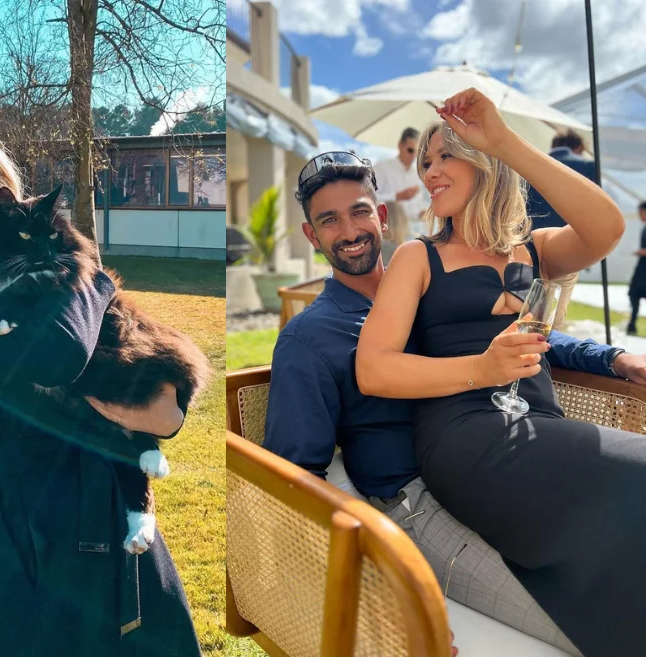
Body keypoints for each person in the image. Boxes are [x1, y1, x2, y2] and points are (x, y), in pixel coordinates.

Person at [264, 151, 646, 654]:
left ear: (380, 216)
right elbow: (295, 479)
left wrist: (615, 357)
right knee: (592, 621)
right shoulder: (309, 338)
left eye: (359, 211)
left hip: (500, 464)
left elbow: (511, 338)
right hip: (417, 506)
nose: (349, 230)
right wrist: (377, 583)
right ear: (313, 237)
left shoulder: (426, 280)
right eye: (328, 220)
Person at [0, 126, 202, 656]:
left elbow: (165, 410)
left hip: (103, 503)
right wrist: (95, 282)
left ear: (4, 194)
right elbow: (59, 357)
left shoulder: (31, 276)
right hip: (9, 535)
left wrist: (155, 411)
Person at [355, 88, 646, 657]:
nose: (431, 170)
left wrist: (506, 141)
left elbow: (607, 228)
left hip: (541, 424)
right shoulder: (420, 256)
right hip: (468, 436)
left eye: (446, 156)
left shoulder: (533, 250)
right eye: (426, 161)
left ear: (487, 164)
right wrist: (481, 367)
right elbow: (374, 368)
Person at [524, 129, 598, 331]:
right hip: (567, 247)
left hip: (527, 247)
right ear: (579, 147)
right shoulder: (588, 166)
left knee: (525, 314)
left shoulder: (528, 164)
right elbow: (597, 211)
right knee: (551, 323)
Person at [372, 127, 429, 265]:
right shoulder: (381, 168)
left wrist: (421, 213)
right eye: (410, 150)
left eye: (417, 153)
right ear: (400, 145)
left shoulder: (417, 176)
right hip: (385, 236)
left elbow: (413, 212)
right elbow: (369, 199)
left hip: (407, 235)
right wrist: (396, 196)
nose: (413, 156)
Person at [627, 201, 646, 335]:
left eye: (641, 212)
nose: (640, 216)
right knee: (634, 293)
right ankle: (632, 323)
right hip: (642, 268)